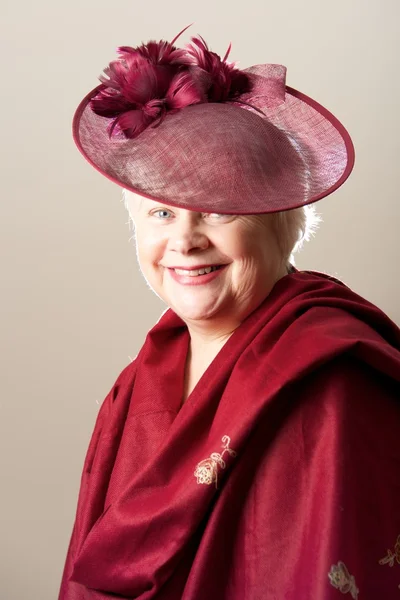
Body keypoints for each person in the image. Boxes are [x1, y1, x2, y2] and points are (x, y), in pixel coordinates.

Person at [59, 28, 400, 600]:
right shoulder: (136, 384)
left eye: (216, 211)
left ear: (280, 224)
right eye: (162, 213)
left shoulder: (334, 380)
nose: (186, 241)